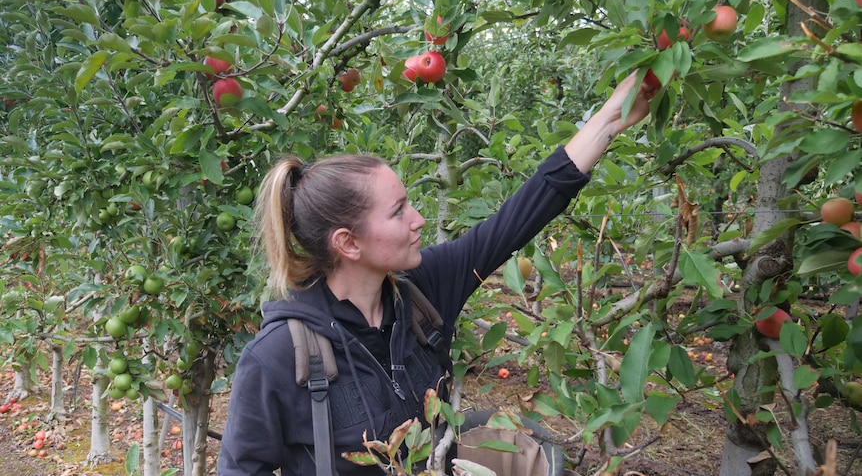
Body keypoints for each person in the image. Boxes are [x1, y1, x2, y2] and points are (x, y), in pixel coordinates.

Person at [216, 71, 659, 476]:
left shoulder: (421, 293)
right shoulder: (278, 357)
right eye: (398, 211)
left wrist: (608, 120)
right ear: (348, 242)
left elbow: (522, 213)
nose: (419, 219)